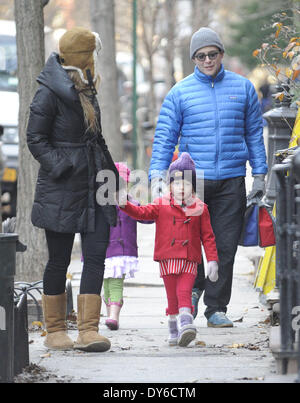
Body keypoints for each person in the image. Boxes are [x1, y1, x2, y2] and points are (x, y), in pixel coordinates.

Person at [149, 27, 268, 328]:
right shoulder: (180, 92)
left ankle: (216, 307)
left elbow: (254, 133)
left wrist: (261, 174)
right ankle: (194, 287)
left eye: (212, 54)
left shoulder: (243, 89)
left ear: (221, 54)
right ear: (194, 59)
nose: (207, 60)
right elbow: (165, 138)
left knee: (225, 246)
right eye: (200, 56)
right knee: (190, 245)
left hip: (231, 180)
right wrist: (156, 176)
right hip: (191, 185)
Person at [27, 27, 122, 353]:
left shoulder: (87, 86)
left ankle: (88, 331)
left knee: (96, 257)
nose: (94, 60)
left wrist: (113, 176)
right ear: (82, 57)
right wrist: (63, 165)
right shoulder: (49, 92)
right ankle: (54, 330)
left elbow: (96, 138)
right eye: (91, 54)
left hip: (96, 184)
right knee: (59, 260)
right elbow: (35, 139)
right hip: (63, 188)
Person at [119, 153, 219, 347]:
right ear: (170, 185)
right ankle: (174, 329)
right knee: (172, 296)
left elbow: (208, 236)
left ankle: (186, 322)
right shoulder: (160, 204)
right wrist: (126, 205)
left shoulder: (200, 208)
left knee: (184, 290)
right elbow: (142, 213)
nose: (182, 188)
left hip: (190, 259)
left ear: (194, 186)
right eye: (177, 183)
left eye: (187, 184)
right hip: (167, 259)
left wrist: (212, 260)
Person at [102, 162, 152, 330]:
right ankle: (111, 313)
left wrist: (159, 211)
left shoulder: (131, 203)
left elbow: (145, 216)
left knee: (115, 282)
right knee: (107, 285)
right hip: (103, 251)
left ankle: (113, 316)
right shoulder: (101, 203)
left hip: (121, 252)